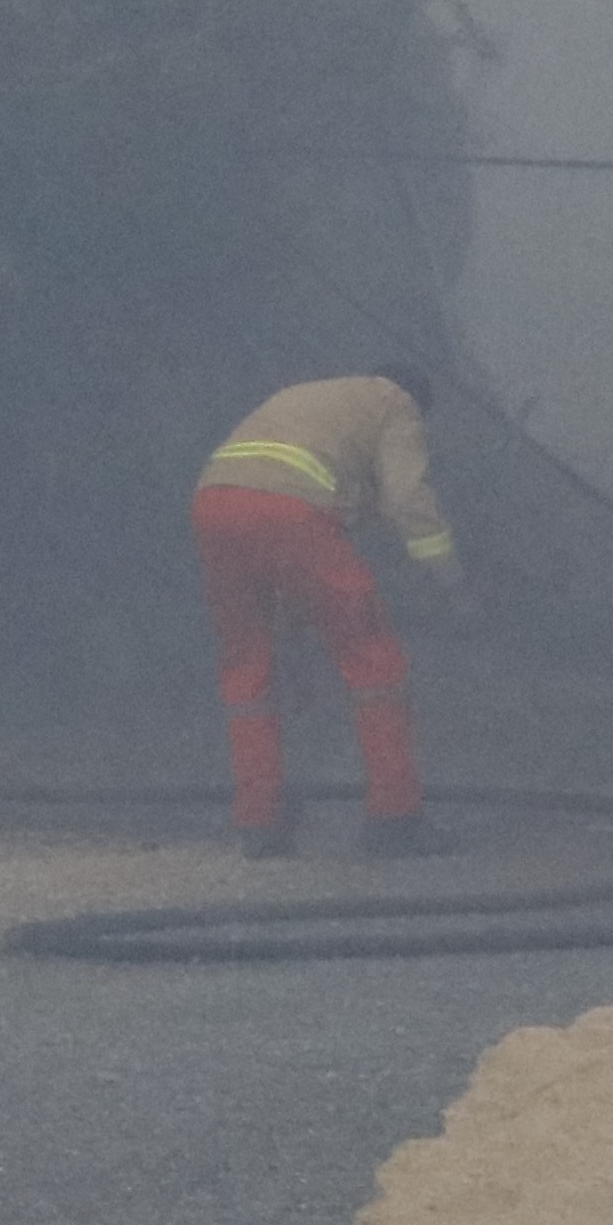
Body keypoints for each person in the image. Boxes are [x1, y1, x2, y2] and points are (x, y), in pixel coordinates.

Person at [192, 364, 463, 858]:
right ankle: (395, 817)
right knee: (373, 660)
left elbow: (280, 549)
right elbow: (406, 499)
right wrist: (450, 580)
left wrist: (296, 632)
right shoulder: (395, 402)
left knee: (247, 666)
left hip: (214, 502)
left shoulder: (310, 395)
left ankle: (259, 820)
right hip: (292, 510)